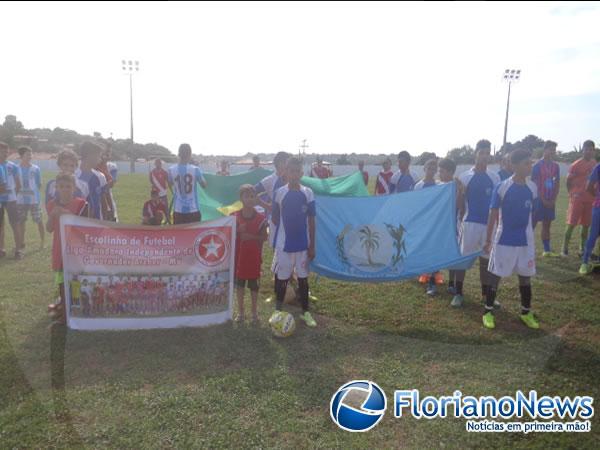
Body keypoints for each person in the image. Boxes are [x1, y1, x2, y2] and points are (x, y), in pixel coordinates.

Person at [482, 149, 539, 330]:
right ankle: (488, 312)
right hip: (504, 239)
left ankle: (526, 312)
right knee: (496, 275)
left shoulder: (532, 187)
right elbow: (492, 215)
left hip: (526, 241)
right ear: (515, 166)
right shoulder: (502, 187)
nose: (530, 166)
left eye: (530, 163)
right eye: (526, 163)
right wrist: (488, 239)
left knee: (525, 277)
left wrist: (531, 235)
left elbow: (533, 214)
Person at [452, 139, 501, 308]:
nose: (485, 157)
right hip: (470, 224)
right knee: (463, 260)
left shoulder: (494, 177)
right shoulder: (465, 177)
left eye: (488, 153)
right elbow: (459, 204)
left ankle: (485, 294)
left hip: (488, 226)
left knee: (486, 261)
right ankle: (458, 293)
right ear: (476, 154)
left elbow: (497, 204)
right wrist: (460, 193)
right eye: (482, 153)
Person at [271, 157, 317, 327]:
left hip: (303, 246)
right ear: (286, 172)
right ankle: (277, 311)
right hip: (284, 246)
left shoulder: (308, 193)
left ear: (301, 173)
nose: (294, 174)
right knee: (282, 279)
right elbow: (275, 218)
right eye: (291, 171)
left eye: (298, 171)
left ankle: (306, 313)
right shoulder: (279, 193)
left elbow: (312, 221)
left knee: (303, 279)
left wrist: (312, 245)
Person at [46, 173, 89, 323]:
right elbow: (49, 229)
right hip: (59, 250)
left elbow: (85, 226)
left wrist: (66, 213)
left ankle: (76, 310)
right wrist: (52, 216)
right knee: (61, 284)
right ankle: (64, 314)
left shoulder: (82, 203)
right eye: (61, 186)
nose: (65, 190)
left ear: (74, 187)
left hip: (75, 250)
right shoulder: (52, 204)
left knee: (75, 282)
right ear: (56, 187)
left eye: (68, 186)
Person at [254, 151, 290, 303]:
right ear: (279, 163)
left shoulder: (293, 178)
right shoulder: (270, 180)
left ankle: (296, 291)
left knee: (293, 256)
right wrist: (266, 206)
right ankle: (278, 292)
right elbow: (252, 191)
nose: (288, 165)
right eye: (286, 162)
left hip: (293, 225)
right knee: (280, 257)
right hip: (277, 225)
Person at [232, 184, 268, 323]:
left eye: (252, 196)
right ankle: (241, 313)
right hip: (239, 259)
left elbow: (264, 238)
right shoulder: (234, 217)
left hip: (253, 258)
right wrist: (237, 230)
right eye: (246, 196)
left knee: (254, 287)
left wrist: (251, 237)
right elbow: (226, 235)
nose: (250, 199)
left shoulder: (260, 218)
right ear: (241, 198)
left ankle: (254, 313)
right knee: (240, 286)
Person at [562, 140, 596, 257]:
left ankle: (582, 249)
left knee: (586, 225)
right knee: (571, 224)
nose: (588, 151)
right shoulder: (576, 164)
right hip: (577, 198)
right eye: (586, 149)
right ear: (583, 150)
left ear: (593, 151)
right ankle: (564, 248)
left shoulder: (594, 163)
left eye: (591, 149)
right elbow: (568, 181)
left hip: (590, 199)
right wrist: (572, 193)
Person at [414, 159, 442, 296]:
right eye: (429, 168)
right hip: (423, 224)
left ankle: (433, 280)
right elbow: (416, 206)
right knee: (424, 249)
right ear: (424, 169)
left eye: (434, 168)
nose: (431, 170)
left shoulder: (439, 186)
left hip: (435, 223)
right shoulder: (418, 186)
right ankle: (424, 273)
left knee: (435, 250)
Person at [531, 140, 561, 257]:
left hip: (550, 199)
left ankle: (547, 250)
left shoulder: (556, 166)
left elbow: (557, 182)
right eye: (550, 149)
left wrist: (553, 199)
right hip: (538, 200)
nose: (553, 152)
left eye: (554, 149)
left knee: (547, 224)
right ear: (545, 150)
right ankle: (526, 247)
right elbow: (535, 184)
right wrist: (542, 199)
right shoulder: (537, 166)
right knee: (532, 224)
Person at [438, 157, 462, 295]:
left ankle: (452, 283)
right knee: (436, 252)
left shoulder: (456, 186)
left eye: (442, 171)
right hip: (439, 226)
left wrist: (460, 191)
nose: (439, 174)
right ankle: (432, 280)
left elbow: (460, 207)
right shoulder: (438, 186)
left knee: (453, 254)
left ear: (450, 172)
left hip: (453, 226)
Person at [167, 143, 207, 224]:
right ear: (190, 154)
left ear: (179, 154)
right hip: (193, 210)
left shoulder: (171, 170)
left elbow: (170, 184)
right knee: (193, 236)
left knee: (179, 235)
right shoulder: (195, 169)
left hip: (178, 210)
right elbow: (204, 185)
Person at [16, 146, 45, 251]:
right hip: (20, 201)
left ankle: (42, 242)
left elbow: (39, 183)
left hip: (34, 200)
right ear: (21, 156)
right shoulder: (16, 168)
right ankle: (21, 242)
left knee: (39, 220)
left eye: (31, 154)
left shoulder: (35, 168)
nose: (30, 156)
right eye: (28, 154)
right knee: (21, 222)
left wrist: (35, 194)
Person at [0, 141, 23, 259]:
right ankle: (1, 249)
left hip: (10, 199)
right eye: (2, 151)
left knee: (15, 224)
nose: (4, 154)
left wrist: (13, 195)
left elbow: (18, 185)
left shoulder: (13, 166)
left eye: (6, 152)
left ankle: (18, 250)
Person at [76, 141, 108, 220]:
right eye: (98, 156)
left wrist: (105, 221)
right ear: (90, 156)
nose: (100, 160)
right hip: (79, 223)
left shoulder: (100, 177)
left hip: (97, 224)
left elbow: (103, 201)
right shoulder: (73, 176)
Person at [579, 159, 600, 275]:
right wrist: (597, 196)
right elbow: (589, 186)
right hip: (598, 207)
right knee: (593, 235)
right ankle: (585, 262)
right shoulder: (598, 167)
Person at [96, 142, 118, 221]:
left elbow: (112, 183)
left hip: (107, 196)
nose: (107, 154)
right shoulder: (93, 164)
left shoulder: (112, 166)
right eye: (105, 152)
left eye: (109, 152)